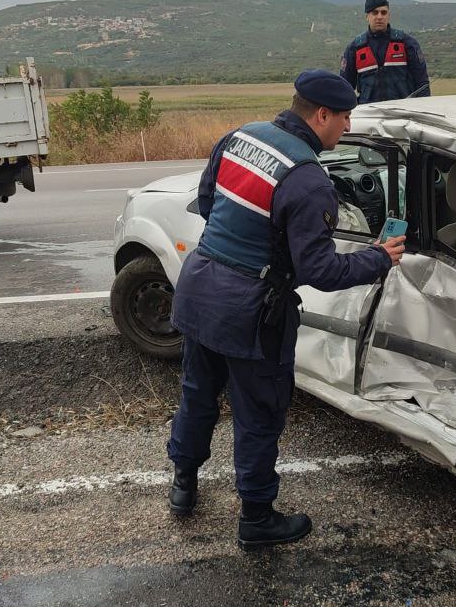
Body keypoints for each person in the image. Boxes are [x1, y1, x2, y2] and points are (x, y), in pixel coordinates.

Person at [166, 69, 406, 549]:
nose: (347, 126)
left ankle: (183, 488)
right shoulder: (309, 180)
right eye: (344, 117)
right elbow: (320, 271)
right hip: (251, 311)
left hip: (200, 287)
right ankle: (257, 518)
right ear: (321, 115)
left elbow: (209, 203)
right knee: (259, 414)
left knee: (198, 394)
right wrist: (379, 257)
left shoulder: (239, 137)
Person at [340, 0, 430, 103]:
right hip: (368, 115)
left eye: (383, 13)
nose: (379, 17)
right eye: (375, 13)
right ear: (367, 16)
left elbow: (422, 84)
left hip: (403, 113)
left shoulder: (407, 43)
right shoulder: (354, 49)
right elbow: (344, 89)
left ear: (389, 15)